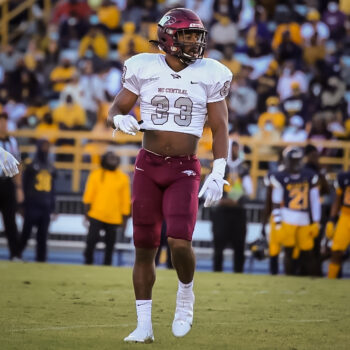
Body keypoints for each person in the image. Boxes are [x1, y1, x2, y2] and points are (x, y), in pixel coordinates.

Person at [107, 8, 231, 343]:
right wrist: (119, 120)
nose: (194, 42)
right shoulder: (143, 67)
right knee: (144, 246)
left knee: (179, 241)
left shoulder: (210, 73)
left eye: (197, 35)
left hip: (184, 168)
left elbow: (220, 127)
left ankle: (186, 293)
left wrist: (219, 170)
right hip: (148, 166)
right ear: (168, 37)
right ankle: (144, 325)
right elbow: (115, 108)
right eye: (187, 35)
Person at [270, 147, 321, 276]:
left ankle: (313, 281)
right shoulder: (280, 176)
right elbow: (276, 201)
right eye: (292, 160)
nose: (295, 163)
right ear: (287, 161)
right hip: (288, 217)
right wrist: (277, 222)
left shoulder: (309, 175)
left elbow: (315, 200)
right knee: (288, 251)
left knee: (308, 252)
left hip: (304, 218)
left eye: (297, 160)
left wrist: (316, 221)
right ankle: (289, 278)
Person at [210, 140, 252, 273]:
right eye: (233, 147)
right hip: (221, 212)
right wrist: (222, 201)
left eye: (237, 147)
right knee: (218, 247)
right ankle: (217, 272)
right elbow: (208, 190)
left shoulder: (243, 169)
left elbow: (249, 190)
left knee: (239, 246)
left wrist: (233, 198)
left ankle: (238, 272)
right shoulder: (218, 168)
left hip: (238, 212)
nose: (236, 150)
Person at [82, 151, 130, 265]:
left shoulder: (123, 178)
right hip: (96, 215)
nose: (113, 159)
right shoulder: (96, 174)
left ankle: (107, 265)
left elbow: (125, 200)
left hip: (114, 217)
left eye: (115, 157)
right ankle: (88, 263)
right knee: (91, 241)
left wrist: (125, 219)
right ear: (104, 159)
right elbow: (89, 195)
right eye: (110, 157)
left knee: (110, 245)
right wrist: (86, 213)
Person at [18, 139, 56, 262]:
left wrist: (53, 207)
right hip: (31, 205)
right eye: (44, 146)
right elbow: (24, 184)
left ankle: (41, 260)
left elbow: (53, 188)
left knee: (42, 236)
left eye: (47, 146)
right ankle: (16, 255)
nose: (46, 149)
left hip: (45, 206)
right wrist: (22, 205)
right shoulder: (30, 164)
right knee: (26, 234)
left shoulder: (51, 166)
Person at [0, 112, 22, 260]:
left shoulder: (12, 142)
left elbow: (17, 164)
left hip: (8, 183)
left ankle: (15, 254)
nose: (3, 125)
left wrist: (19, 188)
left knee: (10, 221)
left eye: (4, 122)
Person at [325, 171, 350, 278]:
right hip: (346, 215)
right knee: (336, 251)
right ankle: (331, 280)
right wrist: (331, 219)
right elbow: (337, 200)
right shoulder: (344, 177)